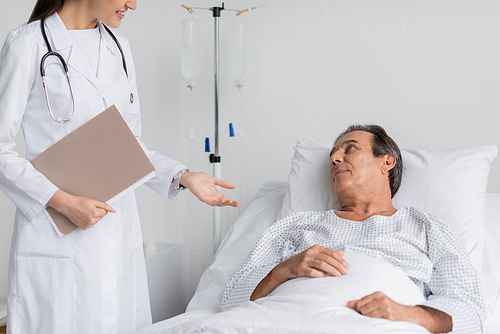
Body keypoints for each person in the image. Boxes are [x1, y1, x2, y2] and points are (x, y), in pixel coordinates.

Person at [0, 1, 239, 333]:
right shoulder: (27, 44)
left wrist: (184, 176)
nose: (133, 4)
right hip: (55, 232)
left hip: (117, 231)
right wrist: (63, 202)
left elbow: (128, 145)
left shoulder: (119, 47)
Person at [221, 125, 485, 334]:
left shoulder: (427, 228)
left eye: (350, 148)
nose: (335, 159)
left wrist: (408, 313)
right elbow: (232, 302)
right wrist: (285, 269)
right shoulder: (296, 225)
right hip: (284, 321)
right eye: (333, 155)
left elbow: (469, 315)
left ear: (387, 162)